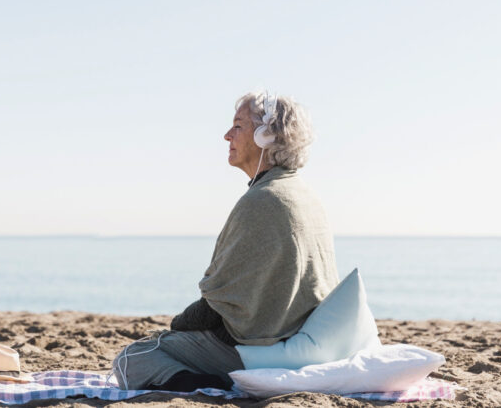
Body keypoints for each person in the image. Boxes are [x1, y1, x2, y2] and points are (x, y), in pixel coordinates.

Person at [111, 91, 339, 392]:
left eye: (238, 126)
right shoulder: (304, 194)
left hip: (260, 350)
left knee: (132, 357)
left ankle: (211, 385)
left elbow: (216, 305)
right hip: (304, 342)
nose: (227, 135)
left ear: (266, 136)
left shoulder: (261, 200)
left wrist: (177, 325)